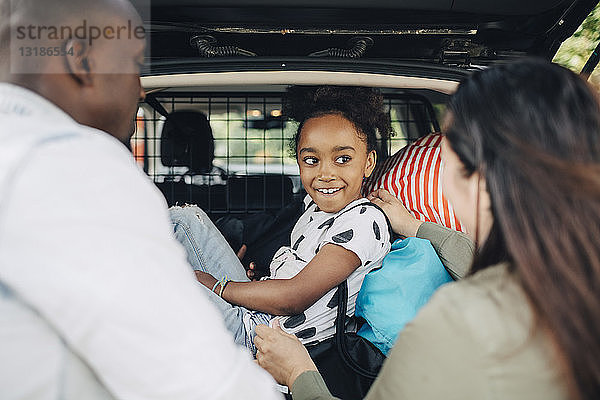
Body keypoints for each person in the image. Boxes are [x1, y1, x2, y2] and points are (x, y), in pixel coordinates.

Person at [254, 58, 600, 400]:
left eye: (445, 161)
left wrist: (298, 372)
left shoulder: (451, 321)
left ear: (474, 177)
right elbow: (475, 261)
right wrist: (416, 226)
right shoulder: (572, 283)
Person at [0, 0, 280, 398]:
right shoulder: (75, 167)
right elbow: (202, 382)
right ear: (81, 59)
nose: (139, 86)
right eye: (132, 64)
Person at [169, 86, 392, 354]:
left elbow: (292, 298)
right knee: (183, 219)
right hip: (256, 316)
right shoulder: (313, 208)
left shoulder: (364, 221)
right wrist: (259, 283)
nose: (325, 173)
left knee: (160, 280)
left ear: (368, 163)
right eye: (311, 160)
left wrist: (219, 287)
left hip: (261, 338)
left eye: (342, 159)